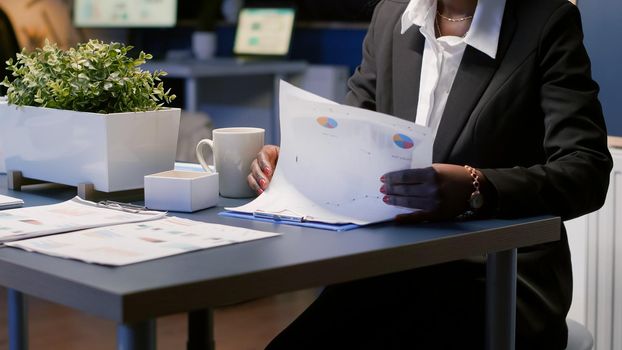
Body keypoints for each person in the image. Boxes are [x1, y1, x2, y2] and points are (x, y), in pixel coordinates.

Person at [247, 0, 613, 348]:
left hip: (500, 275)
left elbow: (586, 170)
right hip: (395, 268)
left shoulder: (546, 21)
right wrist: (296, 161)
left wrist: (478, 187)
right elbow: (349, 135)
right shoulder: (392, 16)